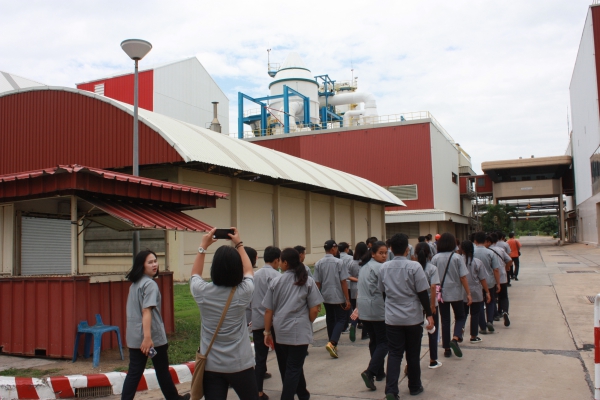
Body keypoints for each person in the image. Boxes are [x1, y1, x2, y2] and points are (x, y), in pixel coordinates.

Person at [190, 228, 258, 400]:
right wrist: (239, 244)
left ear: (214, 268)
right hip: (240, 364)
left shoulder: (202, 292)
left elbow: (195, 274)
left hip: (211, 366)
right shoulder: (243, 293)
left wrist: (203, 246)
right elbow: (249, 271)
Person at [121, 250, 190, 400]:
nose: (154, 265)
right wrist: (147, 338)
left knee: (134, 373)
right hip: (153, 339)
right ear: (142, 265)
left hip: (135, 337)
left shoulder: (135, 285)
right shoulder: (150, 284)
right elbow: (146, 311)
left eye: (155, 261)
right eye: (150, 262)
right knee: (162, 371)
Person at [263, 248, 323, 400]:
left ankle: (303, 394)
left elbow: (268, 310)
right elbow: (314, 309)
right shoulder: (307, 281)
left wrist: (267, 332)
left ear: (285, 263)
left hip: (281, 330)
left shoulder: (276, 281)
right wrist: (307, 321)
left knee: (293, 365)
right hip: (299, 330)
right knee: (294, 367)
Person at [379, 234, 434, 399]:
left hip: (392, 318)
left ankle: (391, 390)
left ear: (390, 249)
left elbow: (383, 292)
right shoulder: (415, 267)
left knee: (395, 353)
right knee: (413, 353)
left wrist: (391, 306)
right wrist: (429, 314)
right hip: (412, 317)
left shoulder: (384, 268)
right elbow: (422, 293)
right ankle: (414, 386)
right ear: (407, 249)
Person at [349, 241, 388, 390]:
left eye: (385, 253)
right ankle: (370, 371)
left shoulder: (364, 267)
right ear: (373, 254)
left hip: (364, 308)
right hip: (377, 308)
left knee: (374, 341)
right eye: (380, 253)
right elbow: (386, 289)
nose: (384, 256)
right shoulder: (380, 268)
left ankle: (379, 372)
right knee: (384, 342)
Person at [430, 233, 471, 359]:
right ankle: (455, 337)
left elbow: (432, 278)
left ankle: (447, 348)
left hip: (440, 293)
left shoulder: (435, 258)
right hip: (456, 292)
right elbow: (463, 277)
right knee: (460, 316)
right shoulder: (457, 257)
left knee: (445, 319)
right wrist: (468, 293)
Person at [251, 246, 282, 400]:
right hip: (275, 322)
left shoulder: (254, 276)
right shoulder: (278, 276)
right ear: (277, 260)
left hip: (257, 321)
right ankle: (289, 387)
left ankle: (258, 391)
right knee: (282, 356)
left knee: (260, 357)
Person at [313, 240, 351, 358]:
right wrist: (347, 299)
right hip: (338, 295)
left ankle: (332, 343)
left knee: (330, 319)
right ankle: (333, 342)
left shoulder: (318, 263)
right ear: (333, 249)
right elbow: (343, 281)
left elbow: (317, 283)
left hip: (325, 295)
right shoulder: (339, 262)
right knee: (341, 319)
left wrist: (316, 300)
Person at [414, 242, 442, 369]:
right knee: (432, 330)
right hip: (431, 302)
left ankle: (412, 361)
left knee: (416, 333)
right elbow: (433, 286)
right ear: (429, 253)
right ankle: (433, 359)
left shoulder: (413, 267)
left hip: (416, 303)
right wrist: (432, 305)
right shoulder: (432, 268)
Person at [459, 240, 491, 343]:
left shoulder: (458, 261)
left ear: (462, 249)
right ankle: (473, 336)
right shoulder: (477, 262)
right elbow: (482, 278)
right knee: (475, 314)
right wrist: (487, 292)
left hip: (462, 291)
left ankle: (459, 331)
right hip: (476, 291)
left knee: (462, 314)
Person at [473, 231, 500, 335]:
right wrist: (498, 283)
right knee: (491, 301)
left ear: (475, 241)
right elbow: (496, 269)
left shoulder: (472, 252)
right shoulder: (490, 253)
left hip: (476, 282)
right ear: (485, 240)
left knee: (480, 304)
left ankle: (482, 326)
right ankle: (490, 321)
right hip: (489, 282)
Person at [488, 234, 513, 327]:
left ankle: (495, 314)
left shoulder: (487, 251)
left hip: (491, 277)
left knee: (493, 297)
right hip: (502, 276)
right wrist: (506, 268)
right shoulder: (501, 250)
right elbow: (509, 260)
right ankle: (505, 311)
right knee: (504, 296)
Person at [348, 242, 368, 342]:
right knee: (364, 311)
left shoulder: (351, 262)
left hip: (353, 288)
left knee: (355, 309)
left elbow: (347, 275)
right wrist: (360, 279)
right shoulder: (366, 263)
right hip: (363, 288)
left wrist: (356, 279)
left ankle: (353, 323)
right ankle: (364, 332)